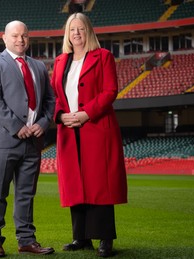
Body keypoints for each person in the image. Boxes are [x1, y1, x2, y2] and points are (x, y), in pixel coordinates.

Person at [50, 13, 128, 257]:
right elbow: (53, 97)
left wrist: (85, 114)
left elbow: (110, 91)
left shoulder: (103, 57)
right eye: (72, 29)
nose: (76, 33)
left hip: (96, 127)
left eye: (81, 29)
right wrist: (61, 116)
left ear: (89, 32)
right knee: (76, 183)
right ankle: (80, 237)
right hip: (69, 130)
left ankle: (105, 239)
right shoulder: (61, 61)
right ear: (67, 34)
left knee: (100, 184)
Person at [0, 20, 55, 257]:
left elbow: (50, 102)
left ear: (28, 38)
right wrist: (17, 127)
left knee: (26, 194)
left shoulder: (39, 67)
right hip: (4, 140)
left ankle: (26, 240)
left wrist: (43, 124)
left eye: (24, 36)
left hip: (33, 141)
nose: (20, 40)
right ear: (4, 38)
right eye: (15, 36)